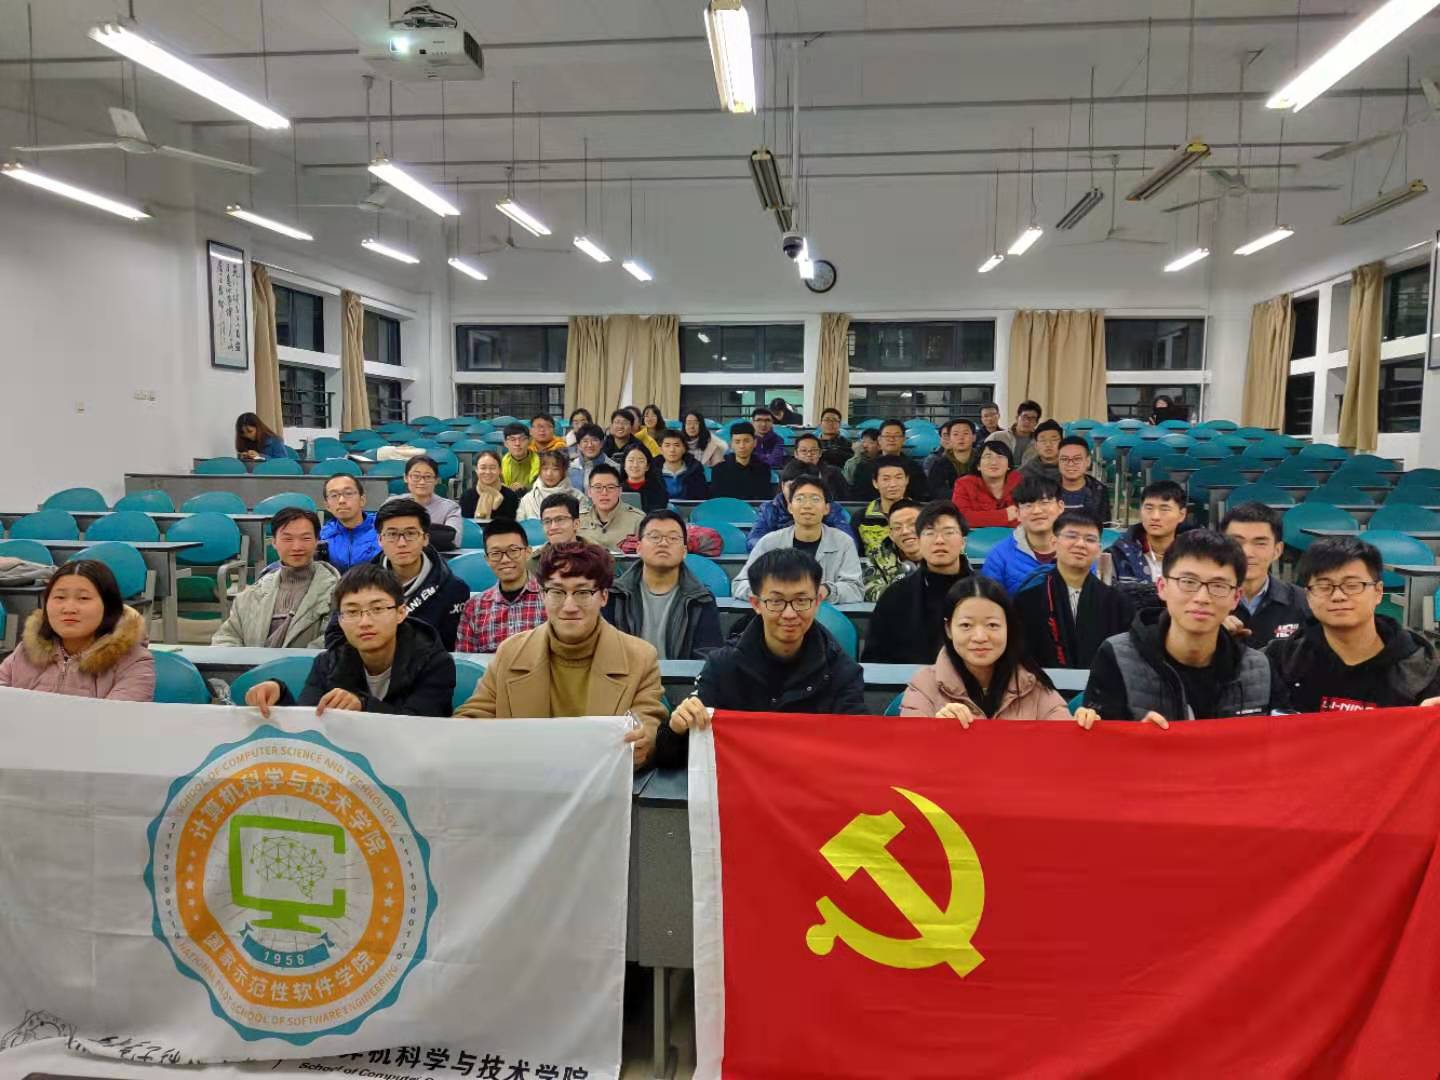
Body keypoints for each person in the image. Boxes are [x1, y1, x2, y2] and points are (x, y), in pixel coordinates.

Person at [454, 542, 662, 770]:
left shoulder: (640, 657)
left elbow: (647, 719)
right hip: (524, 781)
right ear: (543, 595)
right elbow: (475, 714)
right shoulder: (510, 653)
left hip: (599, 784)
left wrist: (645, 740)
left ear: (604, 596)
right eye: (557, 591)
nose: (569, 606)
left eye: (583, 592)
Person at [659, 548, 868, 765]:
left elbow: (856, 748)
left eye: (801, 600)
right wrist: (676, 730)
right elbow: (670, 757)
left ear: (817, 602)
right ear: (756, 604)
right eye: (776, 601)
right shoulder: (722, 666)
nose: (789, 614)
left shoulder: (841, 670)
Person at [1078, 529, 1287, 726]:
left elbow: (1280, 744)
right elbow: (1102, 745)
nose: (1202, 598)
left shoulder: (1260, 669)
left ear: (1236, 597)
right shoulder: (1117, 656)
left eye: (1218, 586)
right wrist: (1135, 737)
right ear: (1162, 587)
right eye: (1188, 582)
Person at [245, 564, 456, 718]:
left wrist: (363, 706)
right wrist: (279, 696)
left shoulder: (435, 663)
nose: (365, 622)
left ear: (401, 613)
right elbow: (308, 726)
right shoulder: (328, 663)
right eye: (352, 612)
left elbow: (420, 730)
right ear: (340, 619)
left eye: (377, 609)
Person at [1266, 537, 1440, 711]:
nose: (1338, 596)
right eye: (1324, 587)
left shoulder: (1423, 670)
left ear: (1378, 592)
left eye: (1352, 585)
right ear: (1308, 596)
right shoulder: (1280, 660)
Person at [901, 575, 1070, 723]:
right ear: (948, 629)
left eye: (992, 625)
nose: (980, 637)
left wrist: (1081, 727)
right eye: (966, 625)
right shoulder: (925, 685)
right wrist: (935, 730)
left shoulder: (1033, 684)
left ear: (1008, 627)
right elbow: (910, 744)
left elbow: (1065, 740)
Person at [326, 498, 469, 651]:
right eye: (392, 534)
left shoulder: (453, 589)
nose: (402, 543)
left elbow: (450, 650)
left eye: (410, 533)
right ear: (380, 539)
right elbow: (335, 638)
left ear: (425, 538)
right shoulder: (355, 584)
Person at [0, 560, 154, 700]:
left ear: (108, 606)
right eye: (60, 597)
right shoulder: (27, 650)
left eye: (83, 598)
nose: (69, 609)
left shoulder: (134, 661)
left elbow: (116, 718)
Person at [1014, 510, 1135, 669]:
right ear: (1053, 542)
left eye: (1090, 539)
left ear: (1099, 549)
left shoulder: (1118, 603)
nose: (1080, 544)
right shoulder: (1027, 600)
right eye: (1071, 536)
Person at [863, 500, 973, 664]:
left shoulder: (984, 592)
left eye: (948, 532)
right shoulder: (895, 596)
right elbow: (874, 658)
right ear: (919, 541)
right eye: (930, 533)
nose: (939, 540)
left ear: (963, 542)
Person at [604, 510, 723, 660]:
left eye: (673, 538)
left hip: (682, 675)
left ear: (684, 551)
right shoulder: (614, 594)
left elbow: (707, 655)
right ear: (639, 548)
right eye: (655, 537)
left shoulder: (701, 599)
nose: (663, 543)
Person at [212, 507, 338, 648]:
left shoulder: (335, 593)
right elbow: (227, 637)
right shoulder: (251, 595)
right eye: (287, 539)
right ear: (274, 542)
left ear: (317, 541)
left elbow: (333, 643)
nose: (297, 547)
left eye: (305, 538)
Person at [733, 475, 864, 604]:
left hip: (827, 614)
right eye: (799, 499)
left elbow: (856, 589)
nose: (807, 505)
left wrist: (827, 590)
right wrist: (772, 592)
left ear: (827, 508)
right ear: (790, 507)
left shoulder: (843, 542)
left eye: (815, 499)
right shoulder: (769, 542)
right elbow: (740, 584)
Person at [1220, 502, 1309, 647]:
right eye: (1237, 542)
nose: (1247, 553)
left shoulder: (1303, 602)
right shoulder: (1202, 602)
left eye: (1260, 543)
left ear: (1277, 550)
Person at [456, 519, 546, 654]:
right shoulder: (474, 607)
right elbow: (465, 660)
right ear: (487, 559)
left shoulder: (550, 598)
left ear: (528, 552)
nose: (505, 559)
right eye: (496, 553)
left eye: (513, 550)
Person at [979, 476, 1063, 595]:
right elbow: (989, 601)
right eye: (1028, 505)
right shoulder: (999, 556)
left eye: (1044, 503)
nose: (1037, 511)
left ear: (1060, 506)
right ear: (1017, 513)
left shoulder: (1078, 548)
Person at [748, 460, 859, 550]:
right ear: (782, 486)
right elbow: (753, 542)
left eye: (804, 488)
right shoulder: (770, 509)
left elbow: (850, 543)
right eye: (792, 487)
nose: (796, 492)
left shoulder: (831, 509)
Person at [1108, 480, 1189, 586]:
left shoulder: (1194, 555)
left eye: (1164, 509)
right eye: (1149, 508)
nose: (1155, 517)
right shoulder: (1118, 554)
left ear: (1182, 515)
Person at [383, 455, 462, 550]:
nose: (422, 482)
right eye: (416, 476)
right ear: (406, 478)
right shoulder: (392, 504)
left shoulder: (450, 508)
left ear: (436, 480)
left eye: (428, 477)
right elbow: (380, 535)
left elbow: (454, 540)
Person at [850, 419, 930, 501]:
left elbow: (920, 497)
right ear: (879, 440)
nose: (891, 439)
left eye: (897, 436)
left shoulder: (914, 468)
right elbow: (858, 498)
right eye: (887, 435)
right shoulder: (864, 468)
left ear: (903, 440)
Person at [863, 498, 923, 602]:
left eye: (912, 524)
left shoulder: (946, 551)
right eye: (897, 527)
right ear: (891, 535)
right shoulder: (877, 556)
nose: (905, 531)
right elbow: (870, 590)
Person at [952, 441, 1022, 527]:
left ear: (1009, 465)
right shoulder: (964, 484)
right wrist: (1005, 515)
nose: (994, 462)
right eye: (988, 456)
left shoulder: (1020, 482)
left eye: (1000, 457)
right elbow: (961, 518)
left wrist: (980, 518)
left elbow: (1025, 517)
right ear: (978, 466)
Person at [320, 473, 381, 571]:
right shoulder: (322, 536)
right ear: (327, 506)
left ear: (362, 500)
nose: (341, 500)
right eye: (334, 495)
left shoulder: (381, 529)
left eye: (348, 493)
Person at [578, 463, 647, 549]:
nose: (604, 493)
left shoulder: (638, 520)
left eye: (610, 487)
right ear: (589, 492)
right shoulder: (579, 519)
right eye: (598, 487)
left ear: (620, 491)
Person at [856, 455, 912, 556]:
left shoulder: (921, 514)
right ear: (875, 483)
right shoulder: (861, 517)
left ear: (907, 480)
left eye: (898, 478)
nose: (893, 484)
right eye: (886, 479)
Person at [709, 421, 777, 501]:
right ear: (731, 444)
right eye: (737, 442)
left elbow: (763, 500)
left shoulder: (763, 468)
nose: (742, 446)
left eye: (746, 441)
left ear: (755, 443)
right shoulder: (719, 468)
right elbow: (717, 500)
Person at [517, 450, 585, 520]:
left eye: (555, 469)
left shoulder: (578, 497)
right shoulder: (528, 500)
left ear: (564, 471)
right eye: (545, 469)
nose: (549, 474)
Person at [1055, 436, 1110, 522]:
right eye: (1064, 459)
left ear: (1088, 461)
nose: (1070, 464)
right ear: (1058, 462)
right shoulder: (1047, 489)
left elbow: (1103, 525)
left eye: (1077, 459)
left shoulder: (1099, 491)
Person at [460, 449, 521, 522]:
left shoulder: (510, 496)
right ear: (476, 470)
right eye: (483, 468)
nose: (488, 472)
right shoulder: (467, 497)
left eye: (492, 468)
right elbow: (466, 525)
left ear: (500, 470)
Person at [926, 418, 980, 496]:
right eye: (955, 434)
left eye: (965, 433)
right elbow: (936, 491)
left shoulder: (983, 461)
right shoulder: (939, 464)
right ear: (949, 438)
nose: (961, 438)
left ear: (974, 437)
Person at [654, 430, 709, 501]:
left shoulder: (695, 470)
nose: (672, 450)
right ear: (660, 449)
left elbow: (702, 498)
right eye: (667, 445)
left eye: (677, 445)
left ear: (684, 449)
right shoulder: (653, 471)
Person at [791, 432, 848, 500]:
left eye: (813, 450)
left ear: (820, 453)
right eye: (803, 450)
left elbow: (846, 500)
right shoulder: (789, 474)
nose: (809, 454)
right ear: (796, 454)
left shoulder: (835, 473)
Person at [618, 445, 670, 512]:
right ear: (624, 465)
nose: (635, 465)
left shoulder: (658, 489)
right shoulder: (616, 489)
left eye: (641, 461)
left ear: (647, 467)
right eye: (631, 460)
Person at [568, 423, 614, 489]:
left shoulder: (613, 468)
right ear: (579, 446)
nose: (590, 445)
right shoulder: (571, 468)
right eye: (585, 441)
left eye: (594, 440)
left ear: (602, 443)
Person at [501, 423, 541, 492]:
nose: (517, 443)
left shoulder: (542, 463)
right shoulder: (499, 465)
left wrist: (525, 489)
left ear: (530, 441)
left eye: (522, 439)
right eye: (512, 439)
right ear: (505, 443)